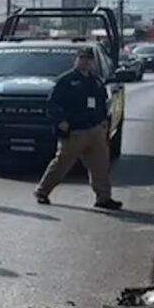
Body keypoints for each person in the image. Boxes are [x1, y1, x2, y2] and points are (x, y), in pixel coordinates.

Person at [35, 48, 123, 210]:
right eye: (82, 58)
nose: (86, 62)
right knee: (62, 164)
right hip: (74, 131)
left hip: (95, 130)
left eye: (89, 59)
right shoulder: (65, 81)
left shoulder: (95, 81)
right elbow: (52, 104)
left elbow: (102, 102)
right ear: (76, 60)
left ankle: (104, 197)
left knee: (101, 165)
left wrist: (103, 122)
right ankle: (42, 191)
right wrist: (60, 122)